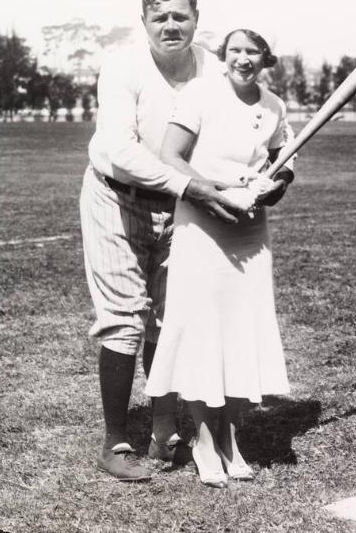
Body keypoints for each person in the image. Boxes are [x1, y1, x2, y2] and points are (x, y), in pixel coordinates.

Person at [79, 0, 238, 482]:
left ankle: (164, 428)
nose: (171, 25)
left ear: (196, 17)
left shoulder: (214, 68)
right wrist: (190, 187)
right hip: (115, 197)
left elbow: (239, 125)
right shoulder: (124, 67)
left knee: (172, 319)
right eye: (160, 17)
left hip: (179, 203)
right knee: (125, 318)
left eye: (180, 16)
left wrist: (266, 171)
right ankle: (115, 441)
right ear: (145, 22)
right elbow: (123, 154)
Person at [145, 27, 296, 488]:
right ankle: (204, 440)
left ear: (264, 58)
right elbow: (169, 155)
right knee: (203, 332)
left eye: (252, 51)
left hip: (249, 233)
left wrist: (277, 185)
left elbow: (283, 160)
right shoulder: (200, 94)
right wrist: (214, 191)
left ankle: (231, 438)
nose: (243, 59)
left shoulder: (273, 105)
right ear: (223, 56)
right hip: (202, 223)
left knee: (239, 331)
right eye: (235, 51)